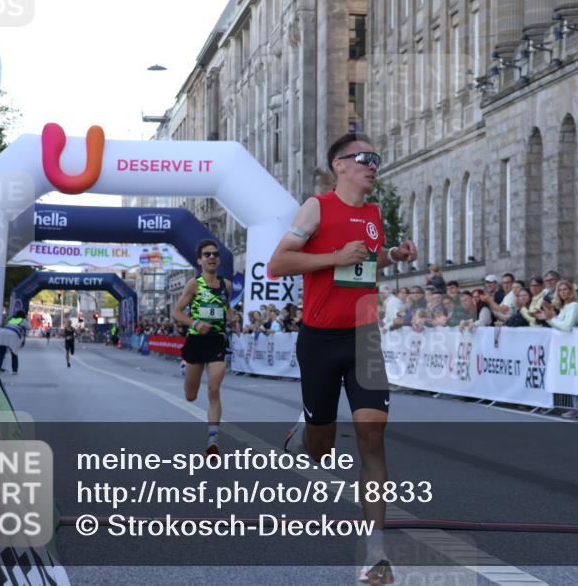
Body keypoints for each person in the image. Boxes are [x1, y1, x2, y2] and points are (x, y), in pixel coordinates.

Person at [269, 132, 417, 584]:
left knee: (373, 434)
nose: (374, 165)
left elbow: (365, 263)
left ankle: (376, 555)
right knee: (322, 449)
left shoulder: (373, 214)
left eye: (377, 158)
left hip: (363, 336)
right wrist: (334, 257)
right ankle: (306, 432)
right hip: (319, 338)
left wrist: (390, 253)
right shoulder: (316, 207)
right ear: (340, 165)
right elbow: (278, 264)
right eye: (365, 158)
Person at [172, 239, 236, 456]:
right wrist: (196, 324)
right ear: (200, 260)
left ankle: (213, 439)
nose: (212, 257)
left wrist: (233, 317)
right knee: (191, 395)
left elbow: (226, 308)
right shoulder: (194, 284)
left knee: (214, 388)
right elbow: (177, 312)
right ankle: (186, 369)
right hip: (196, 341)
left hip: (217, 340)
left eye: (215, 254)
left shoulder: (226, 285)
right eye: (207, 254)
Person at [0, 311, 29, 375]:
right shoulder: (23, 320)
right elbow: (29, 327)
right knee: (14, 352)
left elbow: (5, 324)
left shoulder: (12, 319)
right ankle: (14, 370)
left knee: (1, 352)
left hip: (2, 333)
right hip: (13, 335)